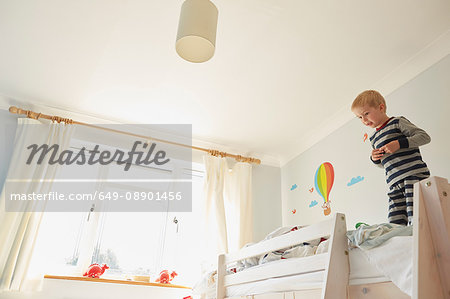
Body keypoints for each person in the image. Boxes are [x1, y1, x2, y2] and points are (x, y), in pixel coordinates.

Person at [351, 90, 431, 226]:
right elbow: (384, 164)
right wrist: (375, 159)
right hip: (393, 182)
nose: (364, 120)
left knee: (417, 217)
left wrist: (399, 143)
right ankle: (402, 245)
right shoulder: (374, 138)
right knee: (395, 222)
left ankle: (421, 244)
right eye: (360, 117)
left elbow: (424, 137)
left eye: (366, 114)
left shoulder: (397, 122)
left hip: (413, 175)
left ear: (381, 107)